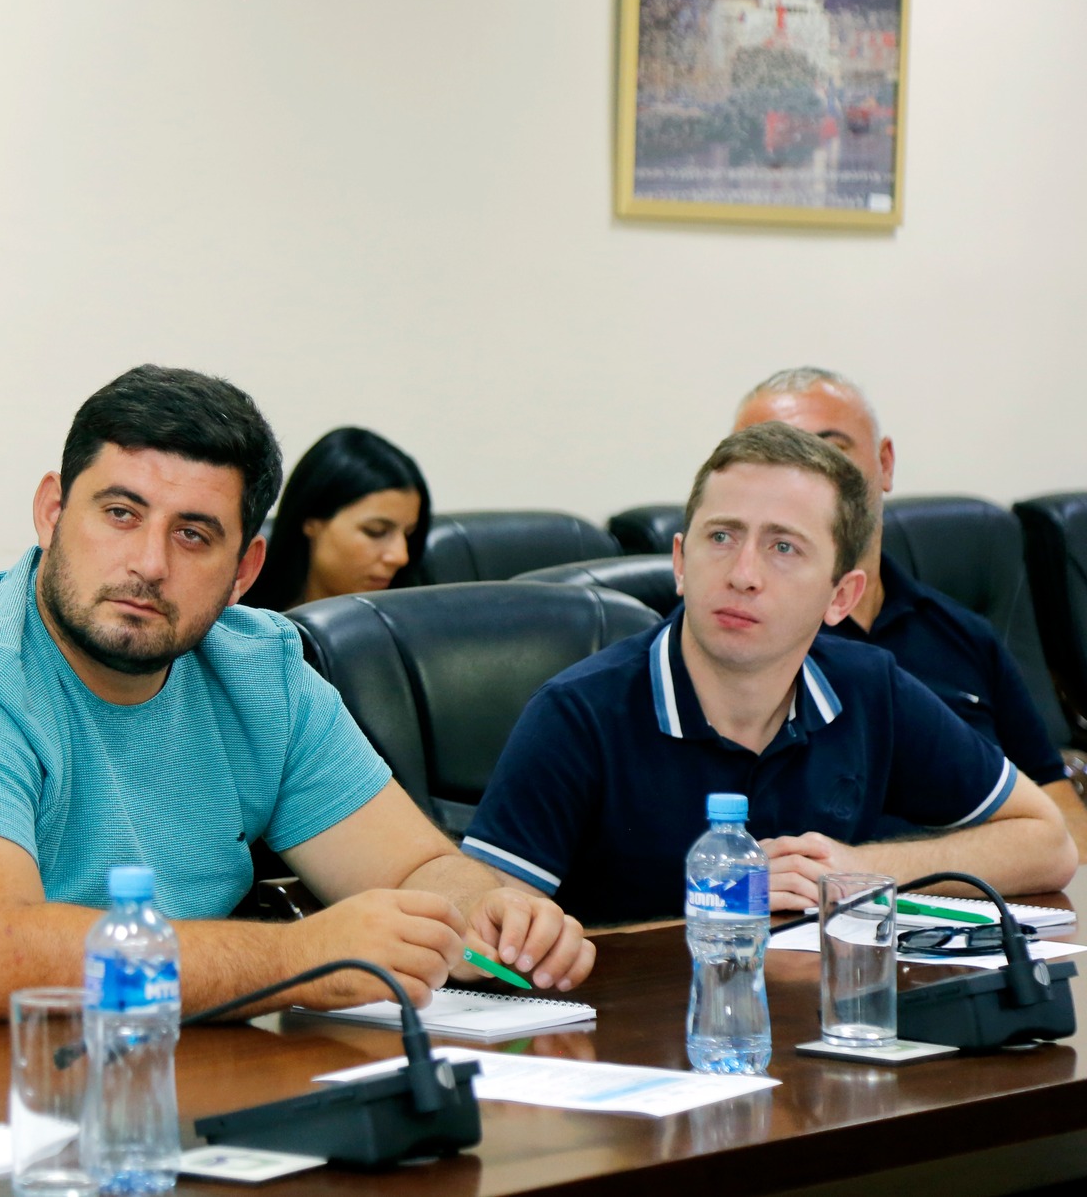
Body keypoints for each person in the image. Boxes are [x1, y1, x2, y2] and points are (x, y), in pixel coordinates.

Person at [0, 365, 592, 1050]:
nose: (148, 563)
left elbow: (412, 869)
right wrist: (300, 957)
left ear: (245, 569)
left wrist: (487, 908)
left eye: (194, 534)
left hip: (132, 1081)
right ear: (53, 512)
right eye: (120, 514)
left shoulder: (261, 670)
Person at [460, 422, 1075, 925]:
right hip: (638, 1023)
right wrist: (723, 895)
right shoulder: (578, 713)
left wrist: (856, 871)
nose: (743, 574)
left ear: (841, 596)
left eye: (784, 547)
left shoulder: (869, 686)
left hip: (818, 1016)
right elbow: (481, 923)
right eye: (721, 537)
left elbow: (1049, 843)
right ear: (680, 562)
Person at [733, 366, 1087, 855]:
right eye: (775, 461)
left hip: (990, 893)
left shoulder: (963, 633)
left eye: (831, 452)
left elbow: (1055, 802)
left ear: (884, 463)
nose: (805, 482)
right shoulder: (735, 647)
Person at [244, 426, 431, 611]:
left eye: (408, 534)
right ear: (311, 519)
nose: (400, 556)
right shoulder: (242, 618)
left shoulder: (420, 616)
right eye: (376, 531)